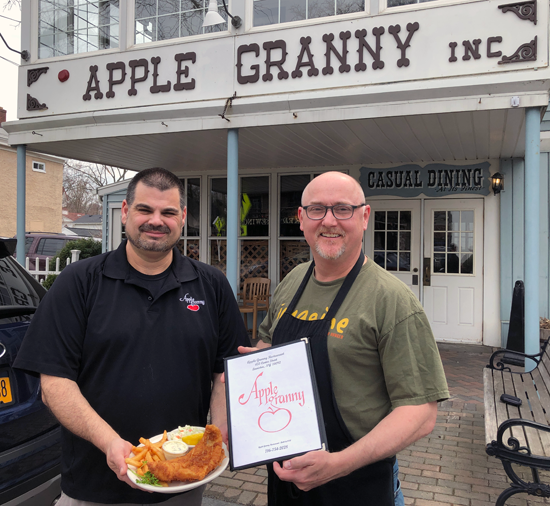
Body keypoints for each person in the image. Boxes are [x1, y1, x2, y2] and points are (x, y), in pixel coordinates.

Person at [14, 168, 249, 506]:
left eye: (168, 212)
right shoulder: (79, 282)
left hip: (181, 483)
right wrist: (110, 442)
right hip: (93, 486)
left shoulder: (211, 285)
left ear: (183, 218)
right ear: (125, 211)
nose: (156, 221)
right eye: (145, 209)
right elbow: (54, 385)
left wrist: (220, 433)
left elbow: (225, 374)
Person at [245, 172, 449, 506]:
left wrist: (338, 464)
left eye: (342, 209)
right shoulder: (293, 281)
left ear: (364, 217)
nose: (329, 221)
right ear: (301, 219)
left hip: (357, 483)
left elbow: (420, 413)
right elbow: (268, 342)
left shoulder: (391, 299)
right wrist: (250, 371)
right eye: (317, 209)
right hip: (287, 478)